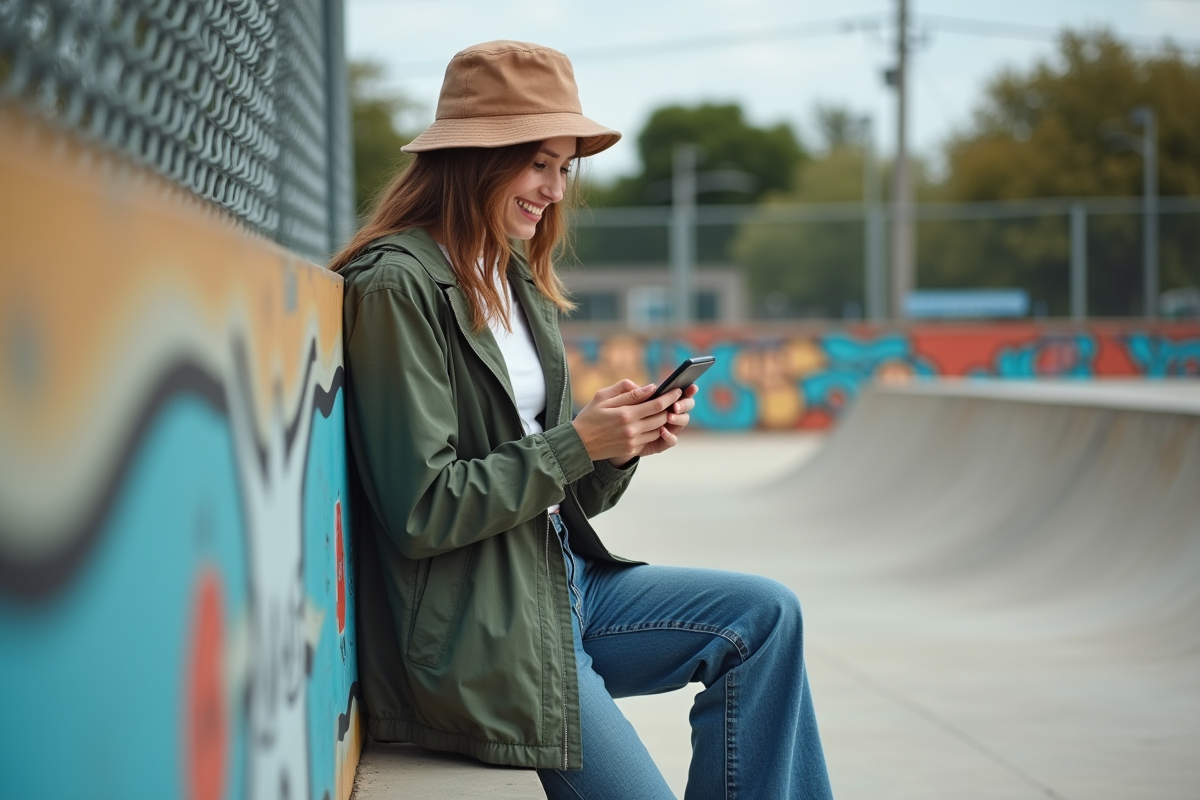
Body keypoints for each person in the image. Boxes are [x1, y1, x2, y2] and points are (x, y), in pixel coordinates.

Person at [330, 40, 833, 800]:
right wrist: (574, 444)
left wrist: (617, 446)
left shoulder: (515, 282)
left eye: (564, 168)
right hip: (478, 627)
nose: (554, 189)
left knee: (764, 617)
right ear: (476, 158)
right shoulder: (399, 286)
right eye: (538, 163)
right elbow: (421, 509)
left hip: (561, 577)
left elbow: (569, 491)